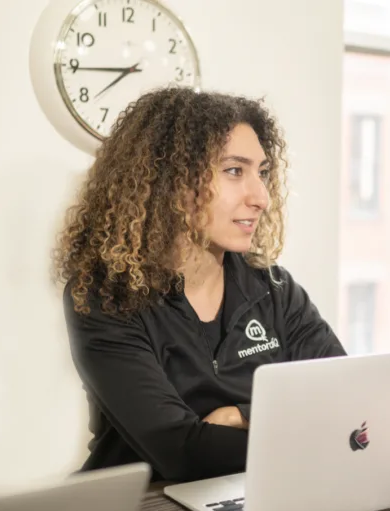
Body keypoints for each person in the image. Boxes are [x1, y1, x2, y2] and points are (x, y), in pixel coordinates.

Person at [54, 87, 345, 482]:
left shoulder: (274, 287)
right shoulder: (105, 297)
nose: (260, 196)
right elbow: (182, 451)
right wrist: (314, 436)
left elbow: (344, 397)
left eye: (261, 172)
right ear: (170, 182)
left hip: (252, 495)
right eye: (233, 171)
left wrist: (243, 415)